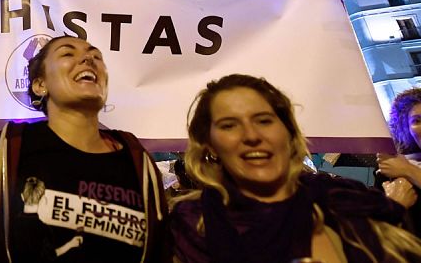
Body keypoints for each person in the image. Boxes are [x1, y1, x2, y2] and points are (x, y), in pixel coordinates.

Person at [0, 35, 170, 263]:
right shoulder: (2, 153)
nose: (87, 60)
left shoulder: (137, 161)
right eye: (68, 53)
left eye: (96, 56)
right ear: (40, 84)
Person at [171, 74, 421, 263]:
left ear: (288, 132)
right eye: (228, 125)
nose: (251, 135)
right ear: (210, 146)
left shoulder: (348, 201)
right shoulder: (194, 224)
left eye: (264, 120)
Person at [378, 86, 421, 236]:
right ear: (406, 128)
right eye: (417, 121)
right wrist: (393, 205)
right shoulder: (392, 174)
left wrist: (408, 170)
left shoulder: (403, 168)